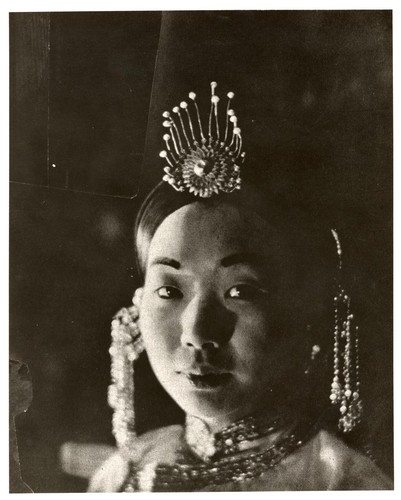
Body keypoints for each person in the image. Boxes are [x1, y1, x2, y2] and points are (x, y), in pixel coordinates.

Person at [88, 83, 392, 492]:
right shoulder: (121, 476)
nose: (197, 333)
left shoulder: (340, 481)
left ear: (305, 312)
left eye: (240, 291)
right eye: (169, 291)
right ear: (135, 311)